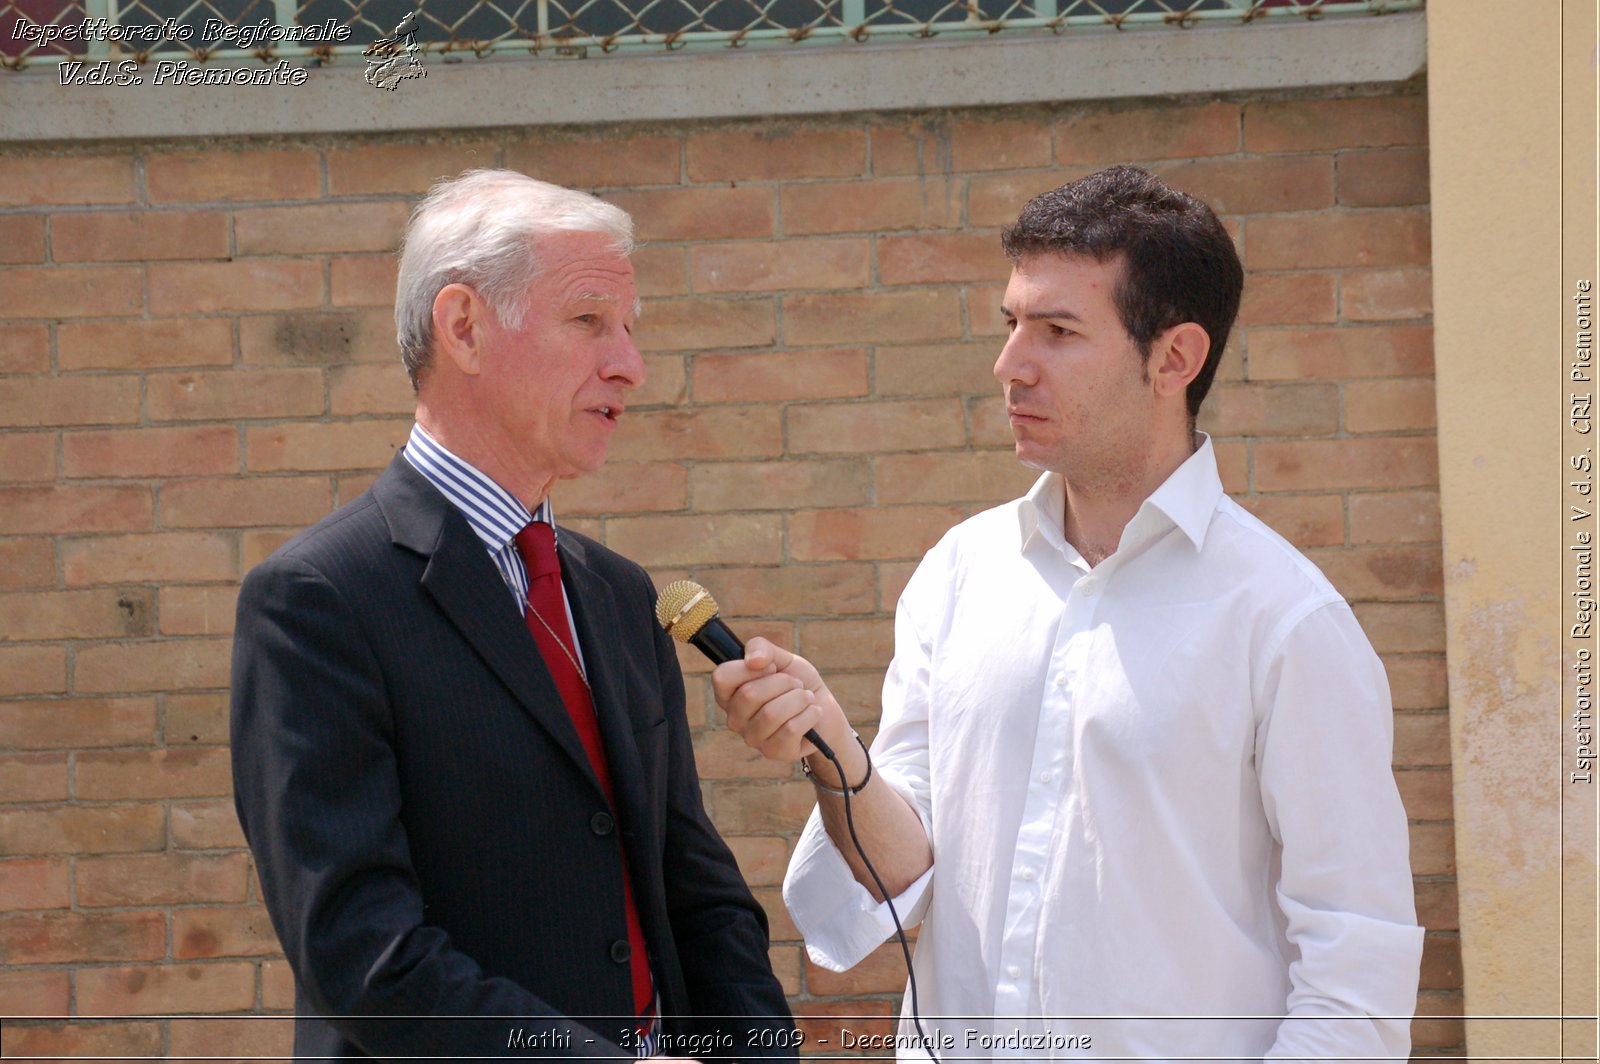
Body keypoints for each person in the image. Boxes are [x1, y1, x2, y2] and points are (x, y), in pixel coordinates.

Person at [713, 165, 1424, 1061]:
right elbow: (901, 881)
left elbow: (1355, 966)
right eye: (1012, 324)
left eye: (1057, 331)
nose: (1011, 365)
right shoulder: (961, 574)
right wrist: (832, 752)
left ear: (1175, 358)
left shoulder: (1284, 621)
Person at [231, 169, 796, 1062]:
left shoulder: (618, 596)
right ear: (464, 328)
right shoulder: (317, 601)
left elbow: (699, 894)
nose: (631, 366)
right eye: (588, 322)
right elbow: (362, 954)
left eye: (629, 331)